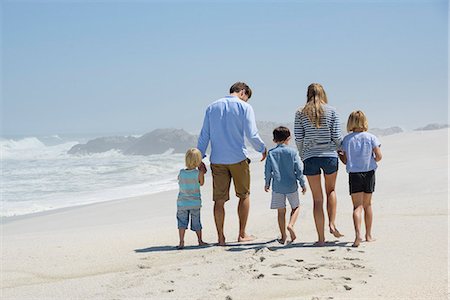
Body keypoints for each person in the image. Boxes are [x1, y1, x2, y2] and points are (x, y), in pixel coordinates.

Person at [197, 82, 267, 246]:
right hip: (238, 158)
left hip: (218, 160)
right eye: (247, 98)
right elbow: (252, 133)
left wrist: (199, 157)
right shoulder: (244, 107)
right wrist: (262, 148)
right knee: (244, 195)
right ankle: (242, 234)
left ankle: (221, 238)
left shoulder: (211, 107)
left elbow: (204, 135)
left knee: (219, 200)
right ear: (243, 92)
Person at [294, 83, 343, 246]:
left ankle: (321, 238)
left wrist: (302, 154)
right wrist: (341, 149)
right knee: (331, 191)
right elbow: (336, 135)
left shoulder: (300, 112)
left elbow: (299, 137)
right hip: (329, 156)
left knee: (317, 199)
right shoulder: (332, 111)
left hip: (310, 157)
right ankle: (332, 223)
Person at [338, 110, 382, 247]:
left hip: (354, 174)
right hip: (369, 172)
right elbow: (379, 156)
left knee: (357, 206)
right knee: (368, 205)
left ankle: (358, 234)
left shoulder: (347, 139)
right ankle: (368, 235)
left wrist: (340, 156)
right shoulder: (371, 137)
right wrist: (371, 159)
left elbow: (345, 160)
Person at [264, 126, 307, 244]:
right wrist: (302, 183)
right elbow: (298, 169)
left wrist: (267, 183)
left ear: (274, 140)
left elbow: (268, 170)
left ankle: (283, 236)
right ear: (289, 138)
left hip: (277, 187)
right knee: (296, 207)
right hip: (291, 185)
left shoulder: (271, 153)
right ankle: (291, 225)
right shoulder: (292, 152)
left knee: (281, 211)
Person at [176, 148, 208, 249]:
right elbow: (201, 183)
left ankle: (181, 242)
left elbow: (179, 181)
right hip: (195, 203)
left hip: (182, 203)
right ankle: (200, 240)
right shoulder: (198, 173)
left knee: (181, 222)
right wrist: (202, 172)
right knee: (196, 221)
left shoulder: (181, 172)